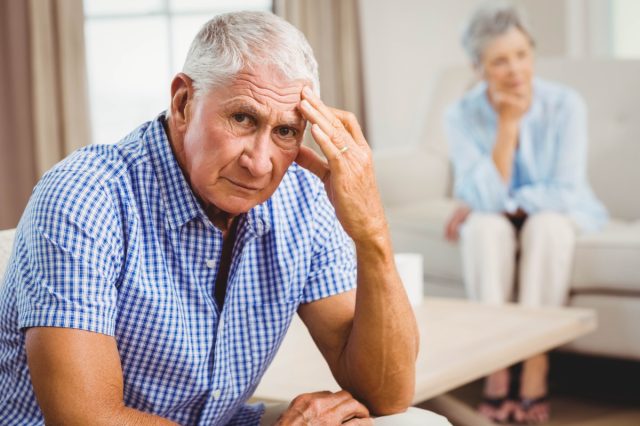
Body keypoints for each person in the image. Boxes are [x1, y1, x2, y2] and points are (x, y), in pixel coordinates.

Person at [0, 11, 450, 426]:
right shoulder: (85, 195)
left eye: (286, 131)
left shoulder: (302, 198)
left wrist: (370, 230)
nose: (260, 162)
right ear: (182, 104)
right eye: (242, 118)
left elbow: (387, 393)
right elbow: (88, 420)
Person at [444, 1, 607, 424]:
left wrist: (502, 202)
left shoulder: (565, 105)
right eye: (500, 61)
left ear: (532, 52)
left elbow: (564, 191)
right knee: (482, 228)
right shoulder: (461, 114)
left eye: (521, 54)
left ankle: (535, 365)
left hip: (560, 214)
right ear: (479, 67)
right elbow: (484, 202)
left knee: (548, 227)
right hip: (495, 217)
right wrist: (508, 126)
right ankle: (495, 368)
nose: (515, 69)